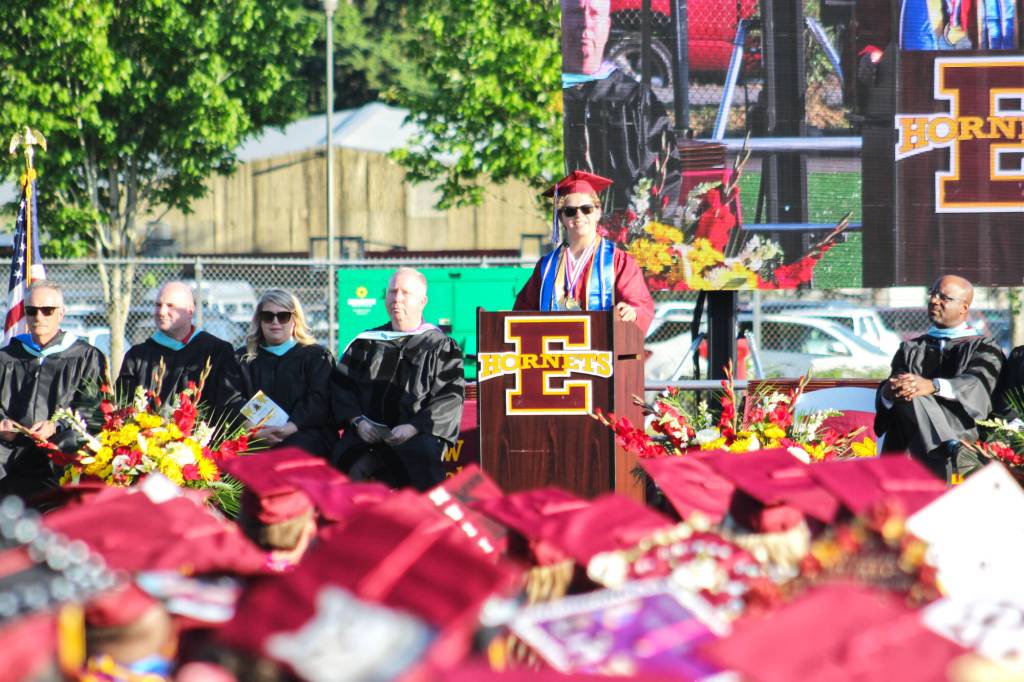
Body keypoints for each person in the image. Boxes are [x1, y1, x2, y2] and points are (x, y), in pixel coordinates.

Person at [330, 268, 464, 490]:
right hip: (367, 437)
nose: (397, 298)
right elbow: (341, 388)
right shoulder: (366, 343)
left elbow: (449, 396)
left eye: (405, 292)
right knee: (344, 460)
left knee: (424, 457)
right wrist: (357, 422)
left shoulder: (440, 346)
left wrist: (412, 427)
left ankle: (429, 522)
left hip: (417, 436)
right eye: (392, 292)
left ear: (422, 301)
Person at [874, 275, 1004, 481]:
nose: (934, 300)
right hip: (924, 439)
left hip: (961, 429)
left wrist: (933, 386)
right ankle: (951, 446)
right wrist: (888, 391)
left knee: (915, 394)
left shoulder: (984, 347)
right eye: (933, 294)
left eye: (944, 297)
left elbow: (977, 383)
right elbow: (896, 384)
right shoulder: (911, 348)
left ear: (964, 307)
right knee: (911, 394)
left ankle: (950, 446)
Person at [561, 0, 681, 215]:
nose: (586, 24)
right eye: (575, 13)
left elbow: (664, 175)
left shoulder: (635, 98)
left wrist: (643, 230)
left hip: (621, 234)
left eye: (595, 14)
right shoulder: (536, 97)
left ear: (607, 27)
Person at [0, 281, 107, 500]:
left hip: (58, 459)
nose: (39, 317)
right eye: (31, 311)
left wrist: (57, 426)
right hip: (8, 459)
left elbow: (93, 410)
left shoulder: (85, 356)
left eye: (47, 311)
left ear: (61, 314)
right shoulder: (7, 357)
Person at [513, 171, 655, 334]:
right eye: (570, 211)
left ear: (598, 212)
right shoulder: (546, 266)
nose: (578, 215)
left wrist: (632, 311)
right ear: (561, 218)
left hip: (602, 353)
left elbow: (640, 304)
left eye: (586, 209)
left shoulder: (618, 262)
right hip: (554, 355)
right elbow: (524, 309)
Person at [117, 281, 246, 421]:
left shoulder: (216, 352)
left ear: (190, 310)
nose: (161, 311)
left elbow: (229, 402)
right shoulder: (138, 356)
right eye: (158, 305)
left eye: (170, 306)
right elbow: (122, 404)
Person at [236, 289, 336, 457]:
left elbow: (319, 400)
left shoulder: (316, 356)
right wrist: (254, 431)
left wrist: (288, 428)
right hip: (253, 434)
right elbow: (233, 398)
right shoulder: (243, 359)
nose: (275, 322)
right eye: (268, 316)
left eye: (283, 316)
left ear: (295, 320)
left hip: (304, 434)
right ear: (259, 320)